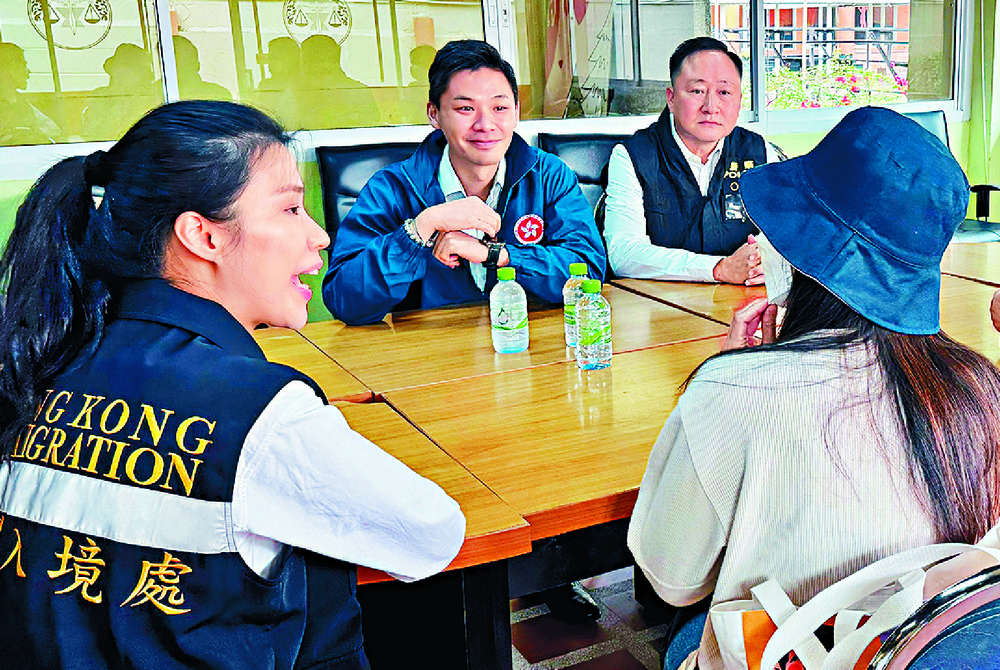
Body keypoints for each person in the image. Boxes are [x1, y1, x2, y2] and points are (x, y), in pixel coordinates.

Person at [0, 100, 465, 668]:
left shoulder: (39, 365)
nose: (319, 235)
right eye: (292, 210)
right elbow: (430, 536)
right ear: (203, 235)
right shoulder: (261, 415)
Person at [627, 106, 1000, 670]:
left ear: (805, 250)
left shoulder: (733, 389)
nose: (761, 237)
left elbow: (671, 577)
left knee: (688, 630)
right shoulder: (979, 385)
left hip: (796, 655)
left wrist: (726, 383)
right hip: (921, 645)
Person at [323, 39, 606, 325]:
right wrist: (419, 229)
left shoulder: (547, 176)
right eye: (465, 109)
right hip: (432, 357)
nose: (485, 124)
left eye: (500, 108)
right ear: (435, 114)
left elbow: (589, 271)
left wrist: (498, 255)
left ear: (517, 112)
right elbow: (343, 300)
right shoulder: (393, 188)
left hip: (531, 348)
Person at [603, 37, 782, 285]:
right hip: (659, 309)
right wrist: (719, 269)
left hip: (745, 302)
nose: (711, 106)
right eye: (697, 91)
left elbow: (788, 234)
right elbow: (623, 253)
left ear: (740, 101)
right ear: (671, 98)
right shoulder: (632, 156)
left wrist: (764, 260)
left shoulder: (759, 152)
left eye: (724, 92)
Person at [0, 41, 61, 144]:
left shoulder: (19, 101)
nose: (28, 72)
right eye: (23, 65)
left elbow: (54, 130)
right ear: (7, 69)